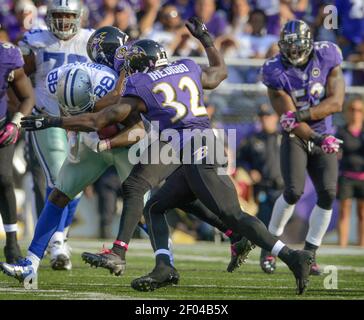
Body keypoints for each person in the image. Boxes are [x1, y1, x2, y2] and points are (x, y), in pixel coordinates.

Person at [22, 18, 315, 295]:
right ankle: (162, 267)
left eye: (132, 64)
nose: (129, 69)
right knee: (153, 205)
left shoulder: (142, 83)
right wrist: (207, 41)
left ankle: (291, 256)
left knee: (234, 215)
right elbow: (219, 72)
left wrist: (53, 121)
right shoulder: (186, 66)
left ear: (143, 64)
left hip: (192, 146)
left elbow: (100, 120)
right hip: (190, 143)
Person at [0, 27, 252, 285]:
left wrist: (103, 140)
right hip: (96, 141)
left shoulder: (130, 74)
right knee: (60, 193)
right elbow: (88, 113)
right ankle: (31, 262)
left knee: (153, 204)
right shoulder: (94, 72)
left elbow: (137, 128)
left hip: (129, 142)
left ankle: (167, 263)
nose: (120, 56)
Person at [261, 20, 345, 276]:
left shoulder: (327, 54)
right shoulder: (274, 70)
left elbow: (336, 103)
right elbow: (290, 120)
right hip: (297, 136)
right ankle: (269, 247)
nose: (294, 52)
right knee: (294, 191)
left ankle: (309, 254)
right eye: (290, 46)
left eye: (299, 46)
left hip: (324, 131)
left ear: (309, 44)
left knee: (328, 193)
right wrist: (318, 138)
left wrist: (304, 113)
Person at [18, 0, 94, 270]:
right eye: (58, 16)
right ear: (49, 16)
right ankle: (58, 242)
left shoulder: (91, 40)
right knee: (57, 176)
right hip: (46, 118)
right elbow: (19, 75)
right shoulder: (35, 40)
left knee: (76, 181)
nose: (63, 22)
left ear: (79, 17)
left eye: (68, 16)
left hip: (80, 120)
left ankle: (59, 237)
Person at [237, 103, 283, 273]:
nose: (265, 120)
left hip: (282, 189)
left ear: (276, 117)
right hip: (263, 188)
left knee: (278, 226)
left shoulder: (284, 138)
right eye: (262, 116)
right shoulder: (253, 139)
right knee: (264, 224)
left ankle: (272, 255)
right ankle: (267, 257)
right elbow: (241, 159)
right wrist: (250, 171)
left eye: (268, 116)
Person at [0, 41, 35, 263]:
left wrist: (15, 122)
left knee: (3, 178)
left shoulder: (7, 56)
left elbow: (28, 97)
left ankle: (11, 242)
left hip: (1, 125)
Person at [336, 98, 364, 247]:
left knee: (362, 213)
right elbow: (337, 153)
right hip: (346, 176)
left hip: (363, 178)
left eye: (359, 110)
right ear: (347, 112)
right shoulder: (341, 131)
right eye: (352, 109)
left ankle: (361, 246)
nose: (355, 113)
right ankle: (342, 245)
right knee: (344, 210)